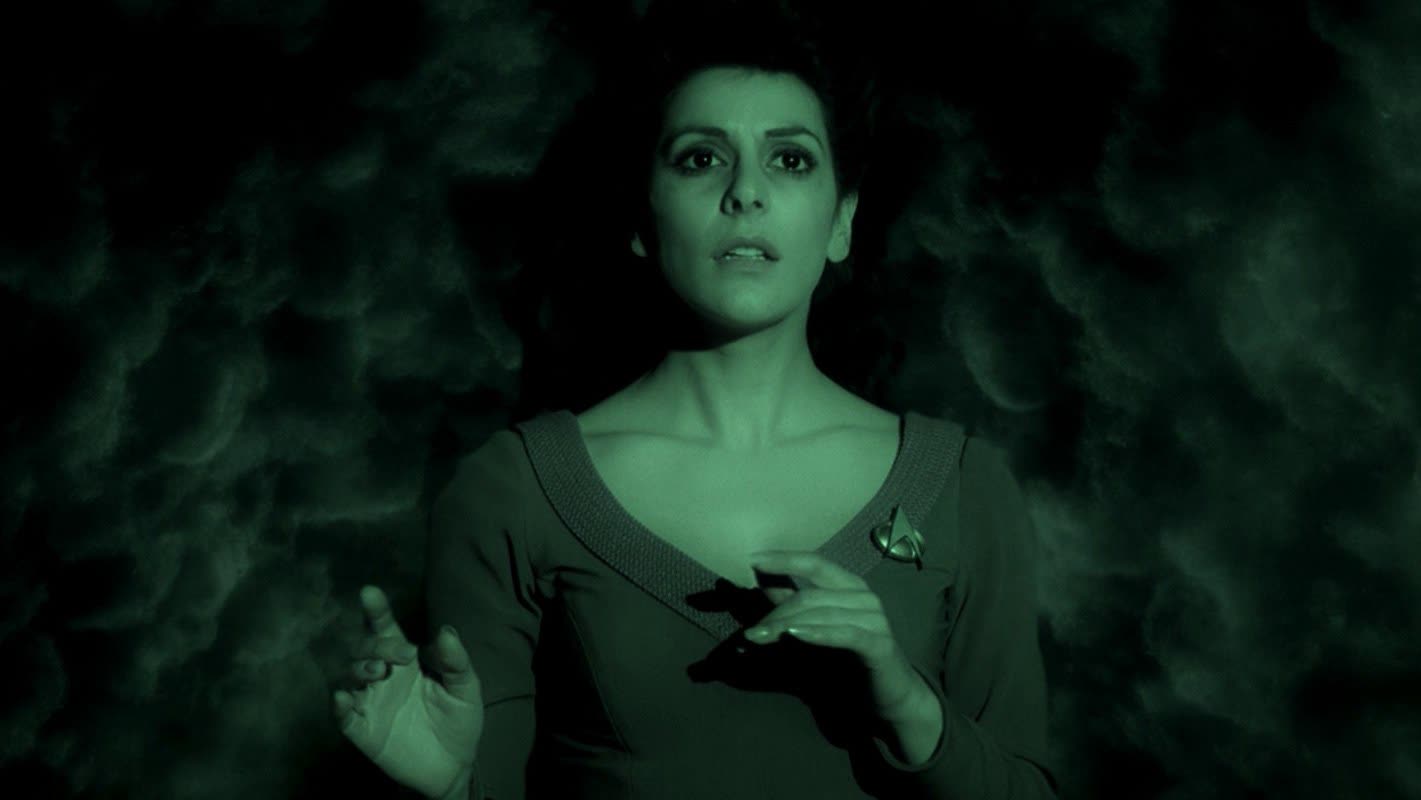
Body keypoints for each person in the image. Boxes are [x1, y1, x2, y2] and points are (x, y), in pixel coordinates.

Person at [332, 1, 1059, 797]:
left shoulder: (965, 489)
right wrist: (450, 787)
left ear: (841, 221)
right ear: (639, 217)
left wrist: (909, 708)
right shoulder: (509, 493)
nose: (745, 192)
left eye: (790, 160)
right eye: (700, 158)